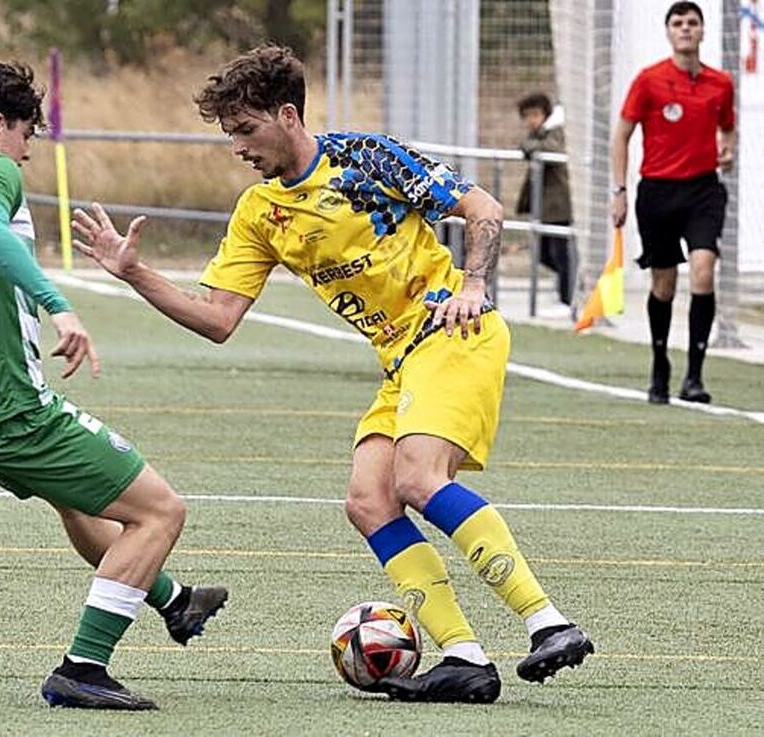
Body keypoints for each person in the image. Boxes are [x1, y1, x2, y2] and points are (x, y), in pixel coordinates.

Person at [71, 45, 593, 704]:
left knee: (417, 477)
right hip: (402, 361)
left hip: (454, 330)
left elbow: (482, 208)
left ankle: (548, 620)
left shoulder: (364, 159)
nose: (236, 147)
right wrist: (134, 272)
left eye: (245, 129)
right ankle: (463, 655)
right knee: (369, 500)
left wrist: (476, 283)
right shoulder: (261, 212)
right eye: (229, 133)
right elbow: (217, 318)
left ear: (287, 114)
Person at [0, 55, 227, 711]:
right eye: (29, 132)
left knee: (83, 505)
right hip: (4, 402)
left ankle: (174, 601)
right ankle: (83, 667)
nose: (30, 151)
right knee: (161, 509)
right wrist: (55, 302)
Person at [611, 1, 736, 404]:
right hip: (658, 191)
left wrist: (727, 150)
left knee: (704, 269)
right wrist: (620, 190)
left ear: (702, 31)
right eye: (678, 23)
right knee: (664, 284)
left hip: (703, 189)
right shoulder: (649, 81)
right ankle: (660, 363)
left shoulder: (720, 83)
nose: (685, 29)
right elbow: (622, 136)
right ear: (669, 32)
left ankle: (695, 376)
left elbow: (728, 128)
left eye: (692, 23)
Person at [515, 92, 575, 320]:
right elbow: (526, 146)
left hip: (559, 204)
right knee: (542, 253)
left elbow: (549, 150)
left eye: (535, 114)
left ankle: (568, 297)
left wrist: (533, 146)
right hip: (544, 206)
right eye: (527, 116)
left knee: (561, 254)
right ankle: (564, 285)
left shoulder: (555, 132)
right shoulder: (537, 135)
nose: (531, 120)